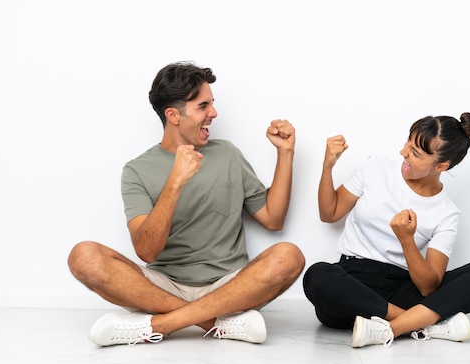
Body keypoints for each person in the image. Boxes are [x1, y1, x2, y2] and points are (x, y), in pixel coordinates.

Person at [68, 61, 305, 347]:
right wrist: (175, 181)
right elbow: (146, 251)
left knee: (289, 256)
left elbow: (273, 219)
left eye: (212, 104)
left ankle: (160, 325)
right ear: (173, 115)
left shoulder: (228, 154)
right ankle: (217, 324)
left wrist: (285, 154)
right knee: (83, 256)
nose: (213, 113)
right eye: (203, 106)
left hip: (229, 286)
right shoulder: (137, 170)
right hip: (163, 286)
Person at [303, 113, 470, 348]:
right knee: (317, 276)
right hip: (352, 282)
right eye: (407, 144)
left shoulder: (446, 212)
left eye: (415, 153)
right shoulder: (375, 167)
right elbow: (329, 213)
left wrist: (406, 240)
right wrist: (328, 166)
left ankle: (391, 329)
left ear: (441, 165)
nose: (403, 153)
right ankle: (422, 324)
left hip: (401, 286)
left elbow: (428, 286)